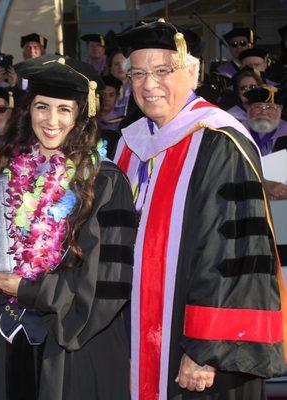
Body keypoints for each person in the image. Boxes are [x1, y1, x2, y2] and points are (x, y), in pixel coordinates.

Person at [0, 54, 136, 400]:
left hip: (76, 348)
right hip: (14, 339)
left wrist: (30, 289)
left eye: (65, 109)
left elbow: (108, 285)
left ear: (80, 116)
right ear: (28, 111)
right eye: (42, 107)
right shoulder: (13, 177)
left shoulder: (104, 182)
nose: (51, 120)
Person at [114, 20, 287, 399]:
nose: (148, 84)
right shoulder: (129, 146)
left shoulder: (219, 141)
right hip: (136, 333)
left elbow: (236, 254)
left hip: (194, 345)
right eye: (138, 73)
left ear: (191, 73)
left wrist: (205, 349)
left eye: (163, 70)